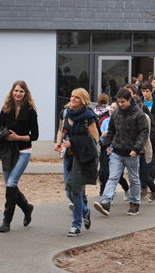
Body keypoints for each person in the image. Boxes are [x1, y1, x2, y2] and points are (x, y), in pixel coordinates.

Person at [94, 88, 149, 217]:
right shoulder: (116, 113)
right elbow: (111, 130)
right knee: (113, 177)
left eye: (123, 102)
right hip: (117, 152)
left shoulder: (139, 114)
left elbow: (144, 132)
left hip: (132, 153)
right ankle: (105, 202)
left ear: (130, 99)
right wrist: (107, 144)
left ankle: (134, 203)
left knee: (133, 179)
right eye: (118, 102)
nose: (120, 104)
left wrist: (136, 148)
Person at [0, 80, 39, 233]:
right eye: (16, 90)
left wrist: (17, 137)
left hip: (23, 151)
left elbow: (35, 136)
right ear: (12, 92)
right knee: (10, 185)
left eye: (21, 91)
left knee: (12, 183)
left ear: (25, 93)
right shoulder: (6, 108)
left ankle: (6, 221)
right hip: (8, 151)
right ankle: (26, 207)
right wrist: (3, 135)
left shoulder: (30, 111)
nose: (18, 94)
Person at [54, 88, 100, 237]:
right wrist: (58, 142)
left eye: (76, 97)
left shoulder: (89, 117)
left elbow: (95, 139)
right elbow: (61, 130)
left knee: (76, 191)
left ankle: (76, 225)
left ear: (83, 100)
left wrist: (73, 142)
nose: (72, 99)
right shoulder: (65, 113)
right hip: (68, 157)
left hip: (81, 158)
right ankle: (85, 211)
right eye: (72, 96)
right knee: (69, 192)